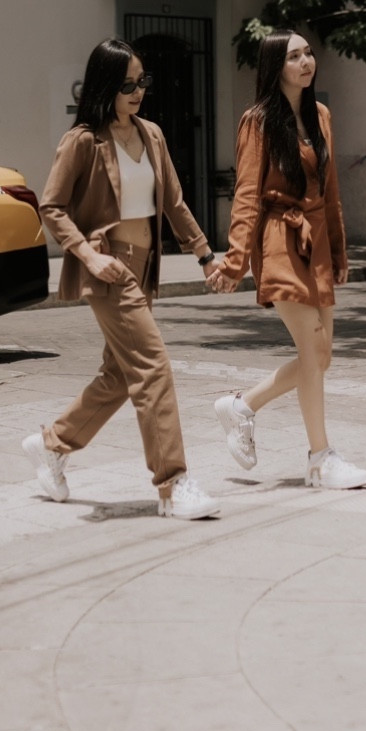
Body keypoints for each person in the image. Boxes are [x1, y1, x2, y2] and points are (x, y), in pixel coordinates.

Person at [22, 37, 220, 520]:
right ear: (106, 86)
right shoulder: (84, 140)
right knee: (153, 369)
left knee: (119, 374)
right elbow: (51, 206)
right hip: (110, 268)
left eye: (142, 82)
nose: (138, 92)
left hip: (145, 266)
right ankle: (173, 485)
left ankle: (53, 443)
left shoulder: (151, 134)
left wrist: (205, 254)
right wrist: (88, 254)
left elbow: (172, 201)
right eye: (128, 84)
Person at [210, 30, 366, 491]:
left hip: (316, 241)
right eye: (294, 56)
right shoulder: (257, 121)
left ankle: (242, 406)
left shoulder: (320, 115)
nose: (306, 61)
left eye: (308, 53)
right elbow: (245, 195)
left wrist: (338, 250)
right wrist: (236, 259)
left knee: (321, 357)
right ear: (275, 66)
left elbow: (331, 187)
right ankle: (320, 458)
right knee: (314, 350)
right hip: (280, 238)